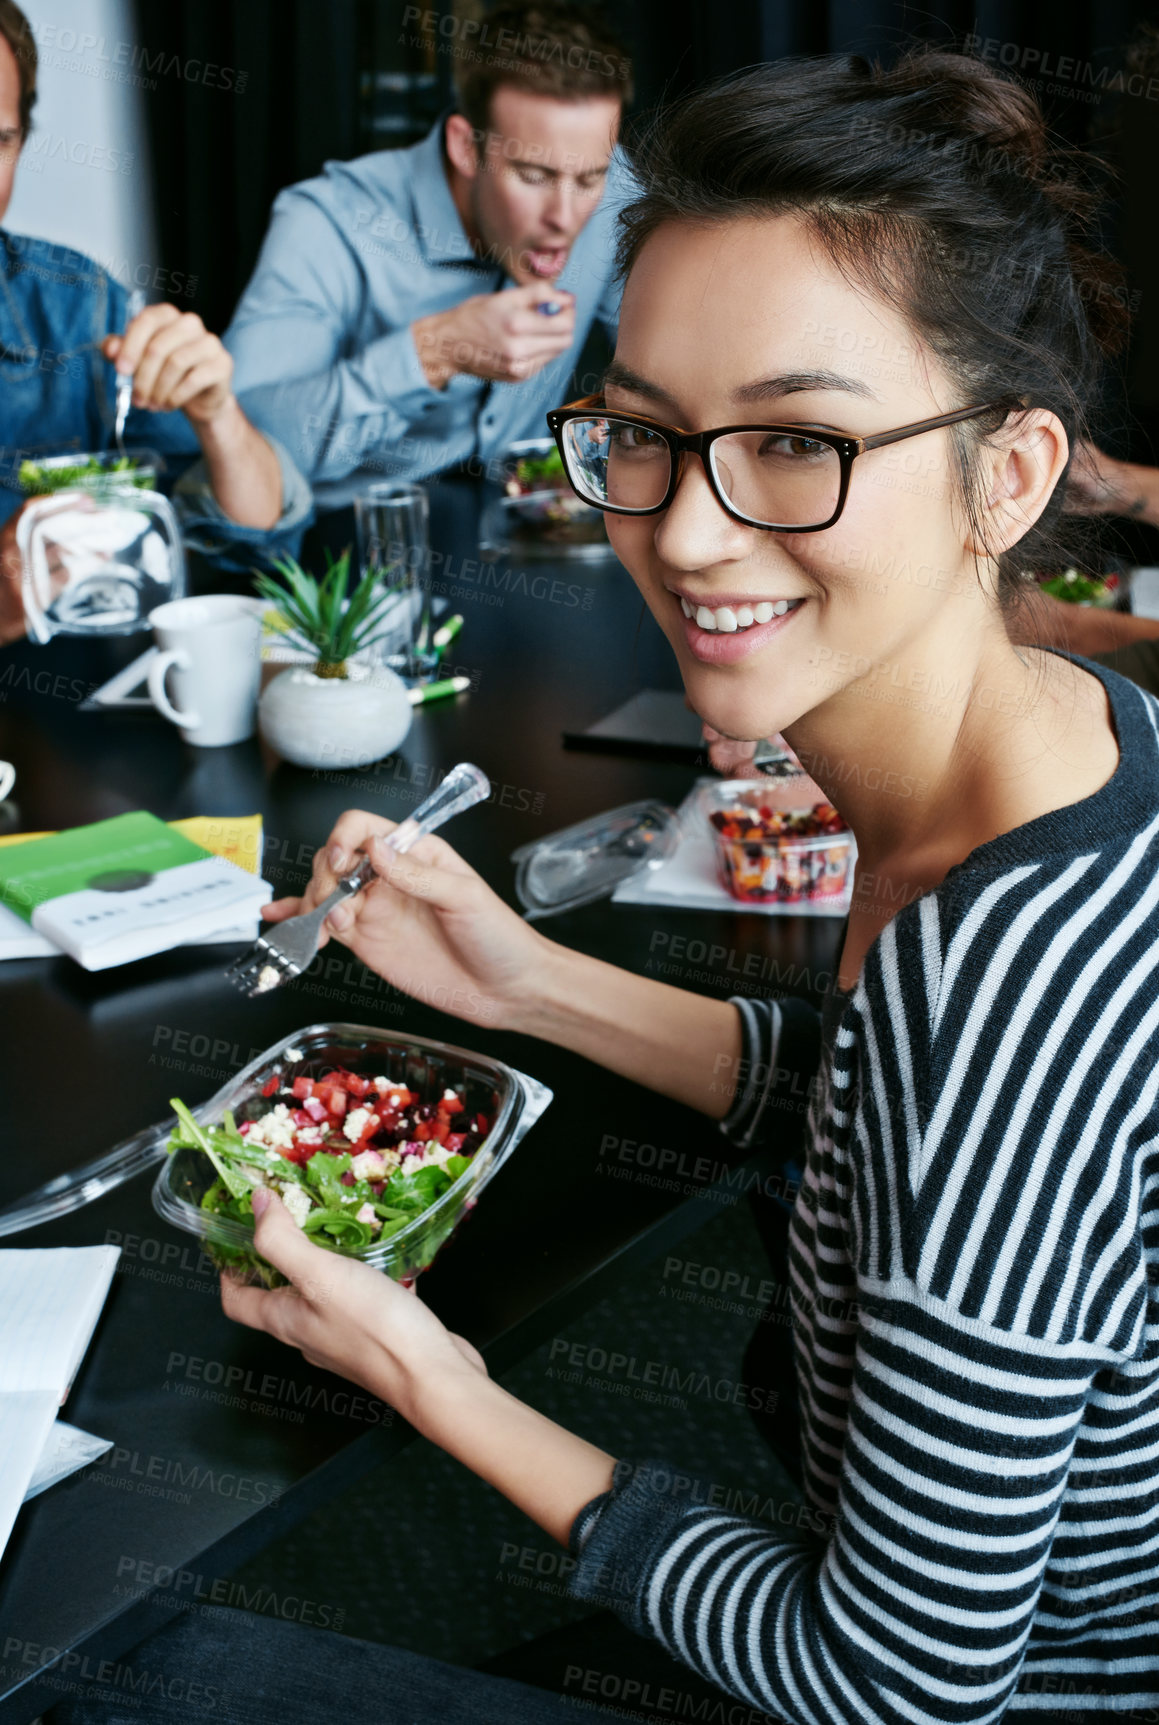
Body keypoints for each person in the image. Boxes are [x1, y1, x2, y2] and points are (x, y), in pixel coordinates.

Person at [52, 48, 1159, 1725]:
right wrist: (521, 985)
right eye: (637, 435)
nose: (691, 535)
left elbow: (891, 1687)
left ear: (1004, 476)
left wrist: (421, 1373)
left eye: (796, 441)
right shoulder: (1084, 736)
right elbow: (885, 1120)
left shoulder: (1002, 989)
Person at [224, 1, 634, 503]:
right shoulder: (327, 222)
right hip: (349, 537)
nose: (566, 216)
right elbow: (244, 443)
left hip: (525, 531)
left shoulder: (613, 189)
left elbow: (671, 365)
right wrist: (435, 350)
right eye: (534, 176)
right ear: (466, 147)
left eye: (590, 178)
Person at [0, 0, 311, 646]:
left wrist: (217, 413)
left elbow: (258, 546)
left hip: (72, 735)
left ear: (21, 144)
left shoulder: (80, 308)